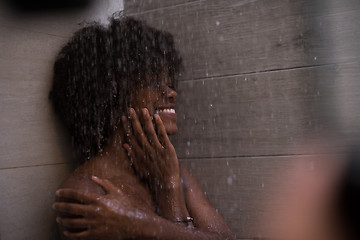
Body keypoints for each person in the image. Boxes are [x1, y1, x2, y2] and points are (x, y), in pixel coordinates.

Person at [50, 15, 235, 240]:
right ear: (112, 95)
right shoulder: (85, 193)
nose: (172, 93)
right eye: (154, 83)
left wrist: (145, 218)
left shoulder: (174, 175)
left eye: (169, 83)